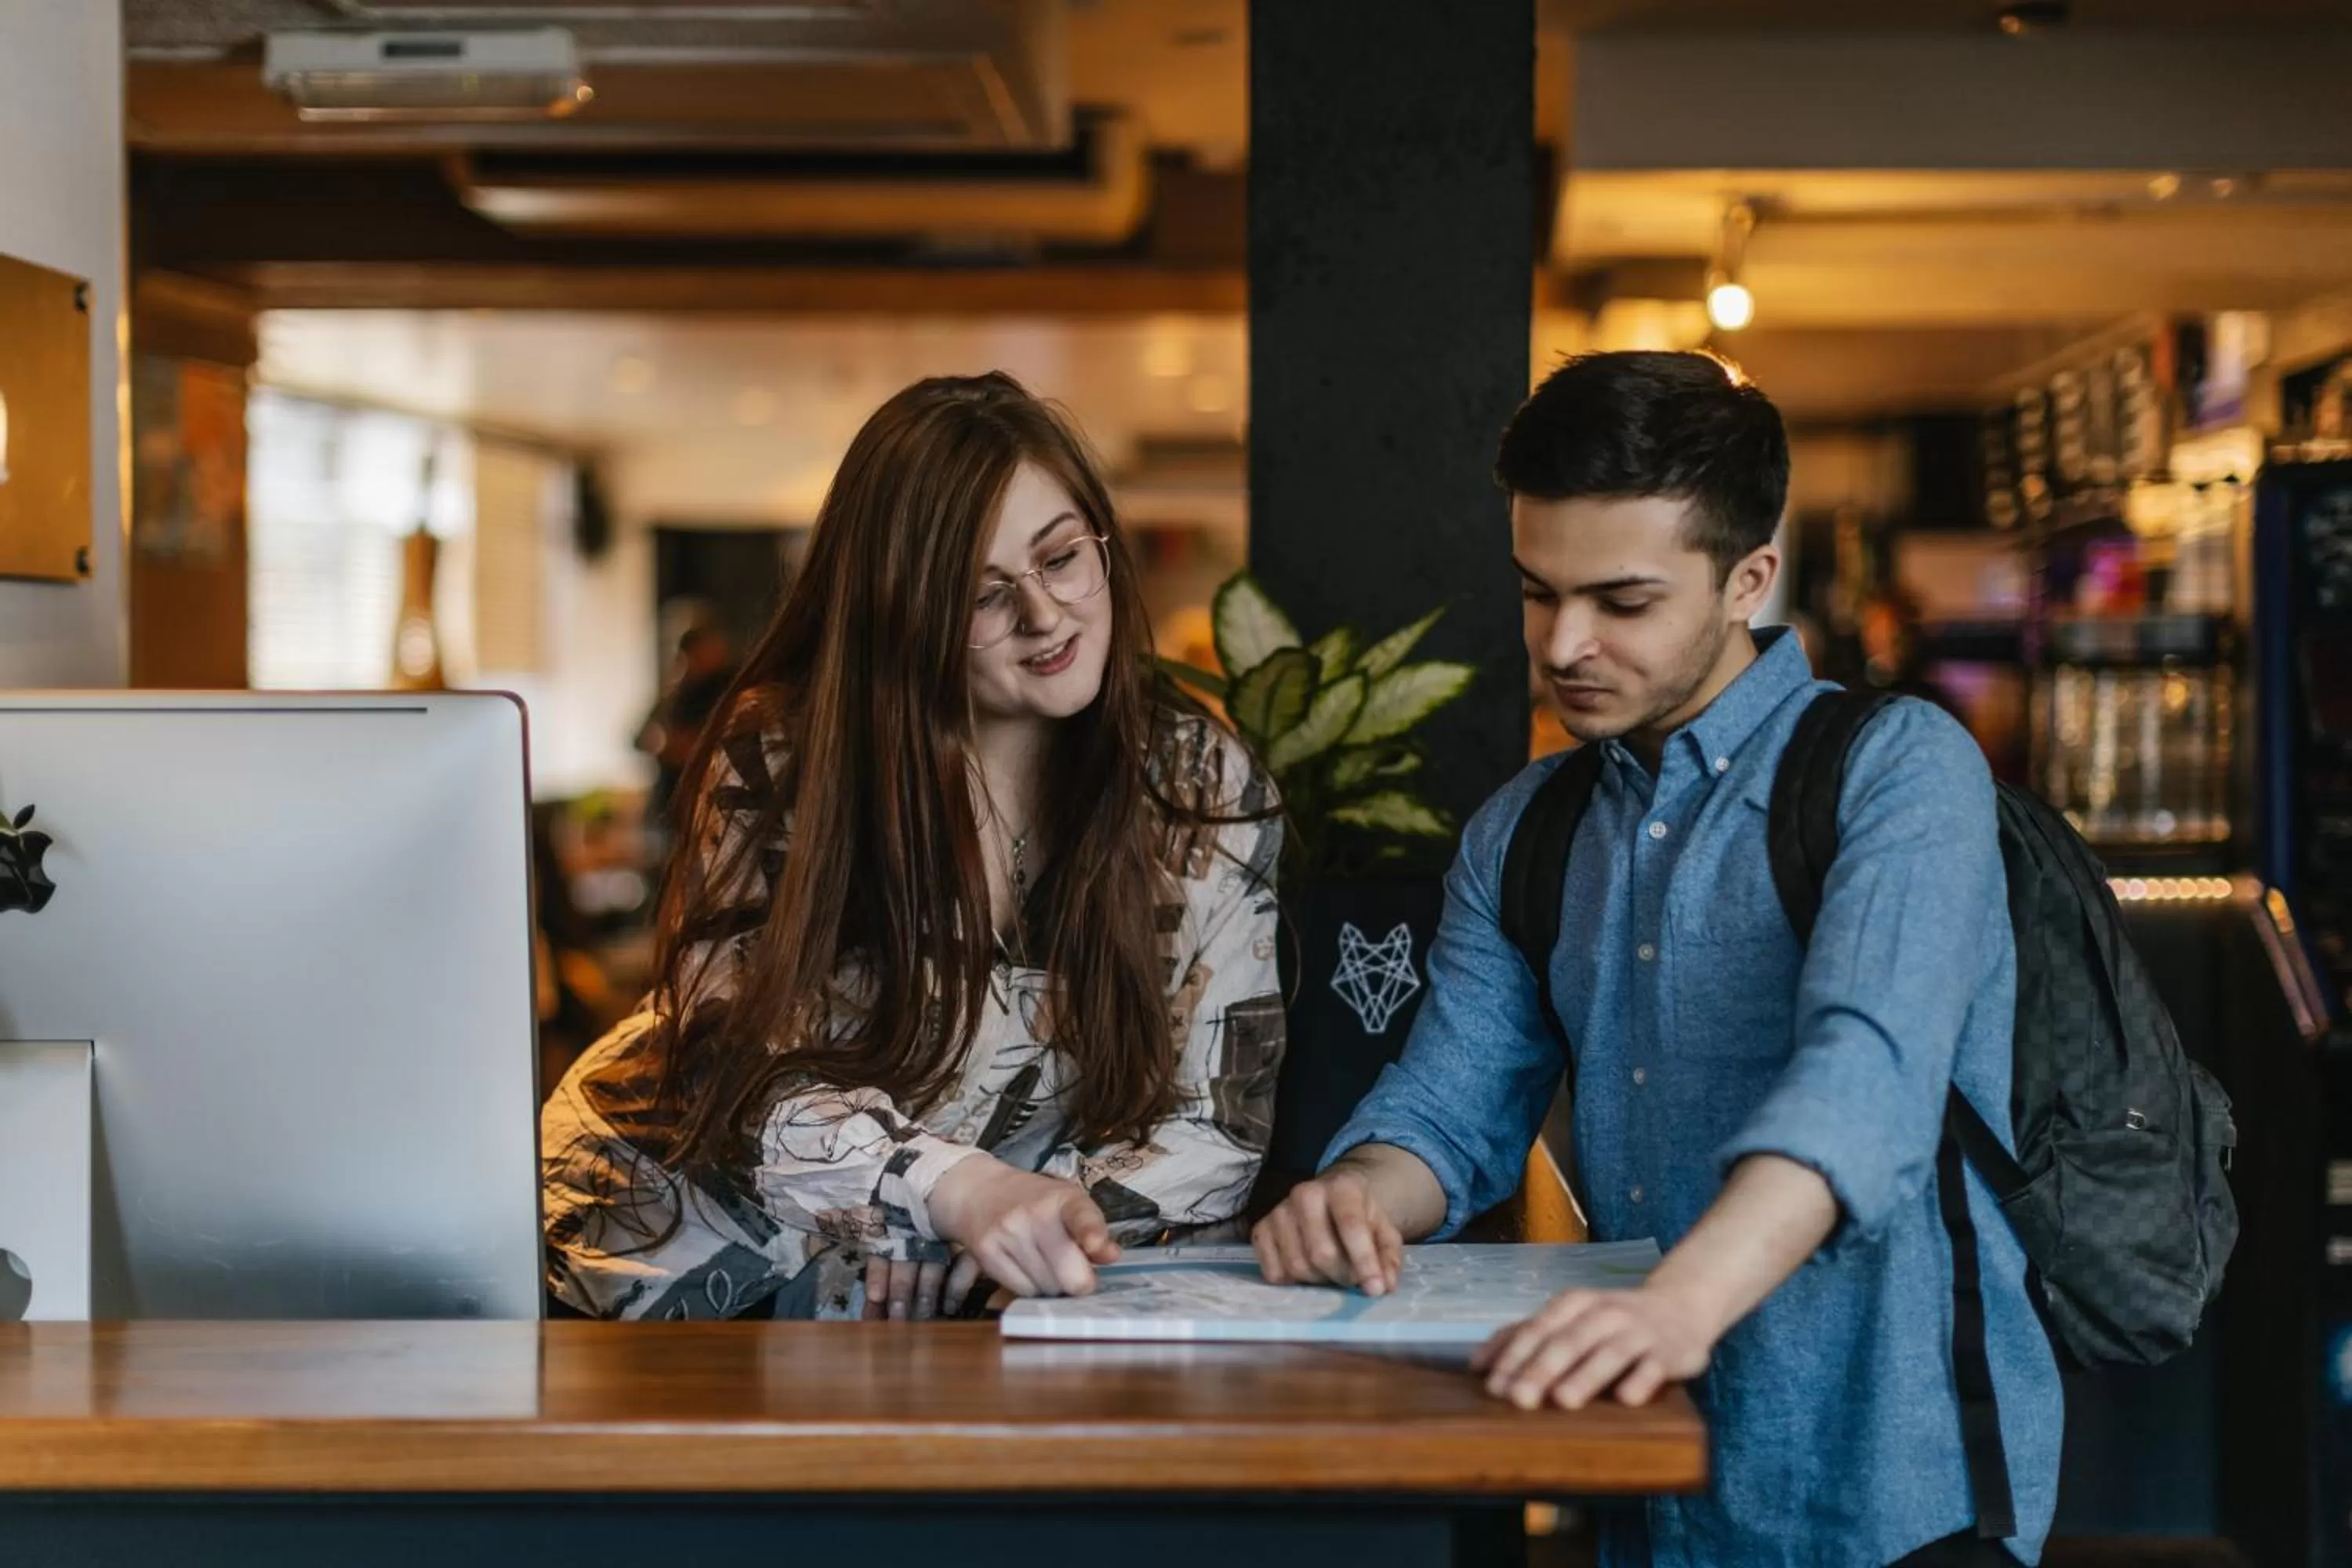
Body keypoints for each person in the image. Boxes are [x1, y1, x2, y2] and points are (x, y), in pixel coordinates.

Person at [1251, 352, 2060, 1567]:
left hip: (1898, 1492)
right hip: (1650, 1490)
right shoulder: (1524, 832)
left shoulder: (1898, 771)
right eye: (1537, 593)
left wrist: (1679, 1306)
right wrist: (1357, 1196)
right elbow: (1449, 1109)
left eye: (1621, 603)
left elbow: (1868, 1081)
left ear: (1749, 579)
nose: (1565, 642)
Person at [545, 372, 1285, 1323]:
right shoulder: (783, 759)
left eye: (1062, 558)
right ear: (904, 613)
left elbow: (1218, 1120)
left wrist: (1018, 1226)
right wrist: (949, 1193)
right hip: (673, 1242)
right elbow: (735, 1072)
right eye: (984, 596)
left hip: (961, 1288)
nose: (1046, 616)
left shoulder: (1196, 782)